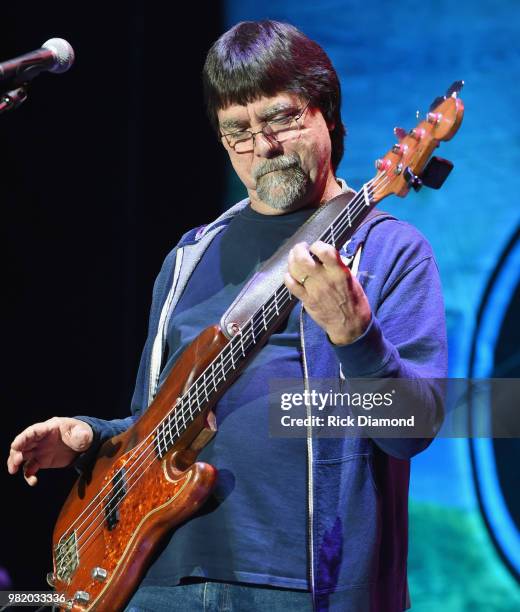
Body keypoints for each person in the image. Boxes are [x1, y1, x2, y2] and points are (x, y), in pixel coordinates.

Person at [7, 20, 447, 612]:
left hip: (301, 586)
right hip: (157, 580)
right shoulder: (188, 258)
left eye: (281, 118)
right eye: (237, 130)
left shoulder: (390, 250)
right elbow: (154, 423)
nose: (262, 146)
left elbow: (413, 429)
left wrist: (354, 334)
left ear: (327, 115)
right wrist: (91, 437)